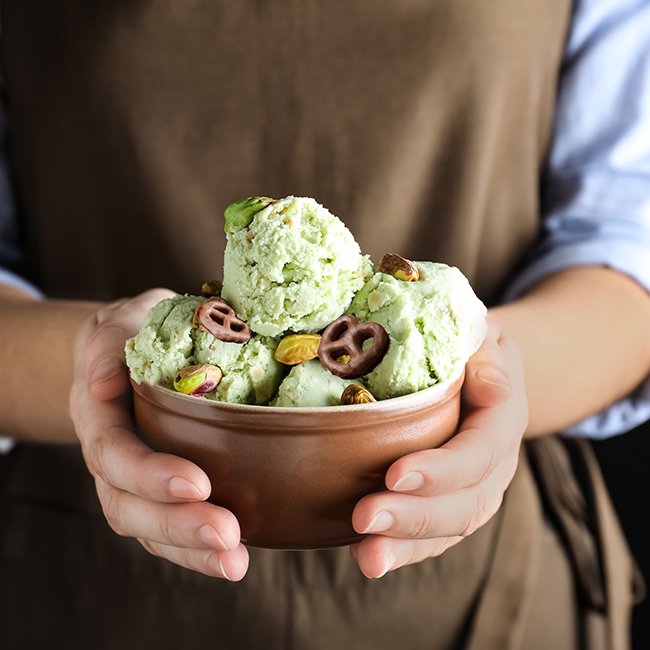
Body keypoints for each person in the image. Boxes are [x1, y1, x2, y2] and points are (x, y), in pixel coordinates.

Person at [0, 0, 648, 648]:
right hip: (87, 581)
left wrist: (480, 384)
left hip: (491, 595)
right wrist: (102, 373)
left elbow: (627, 252)